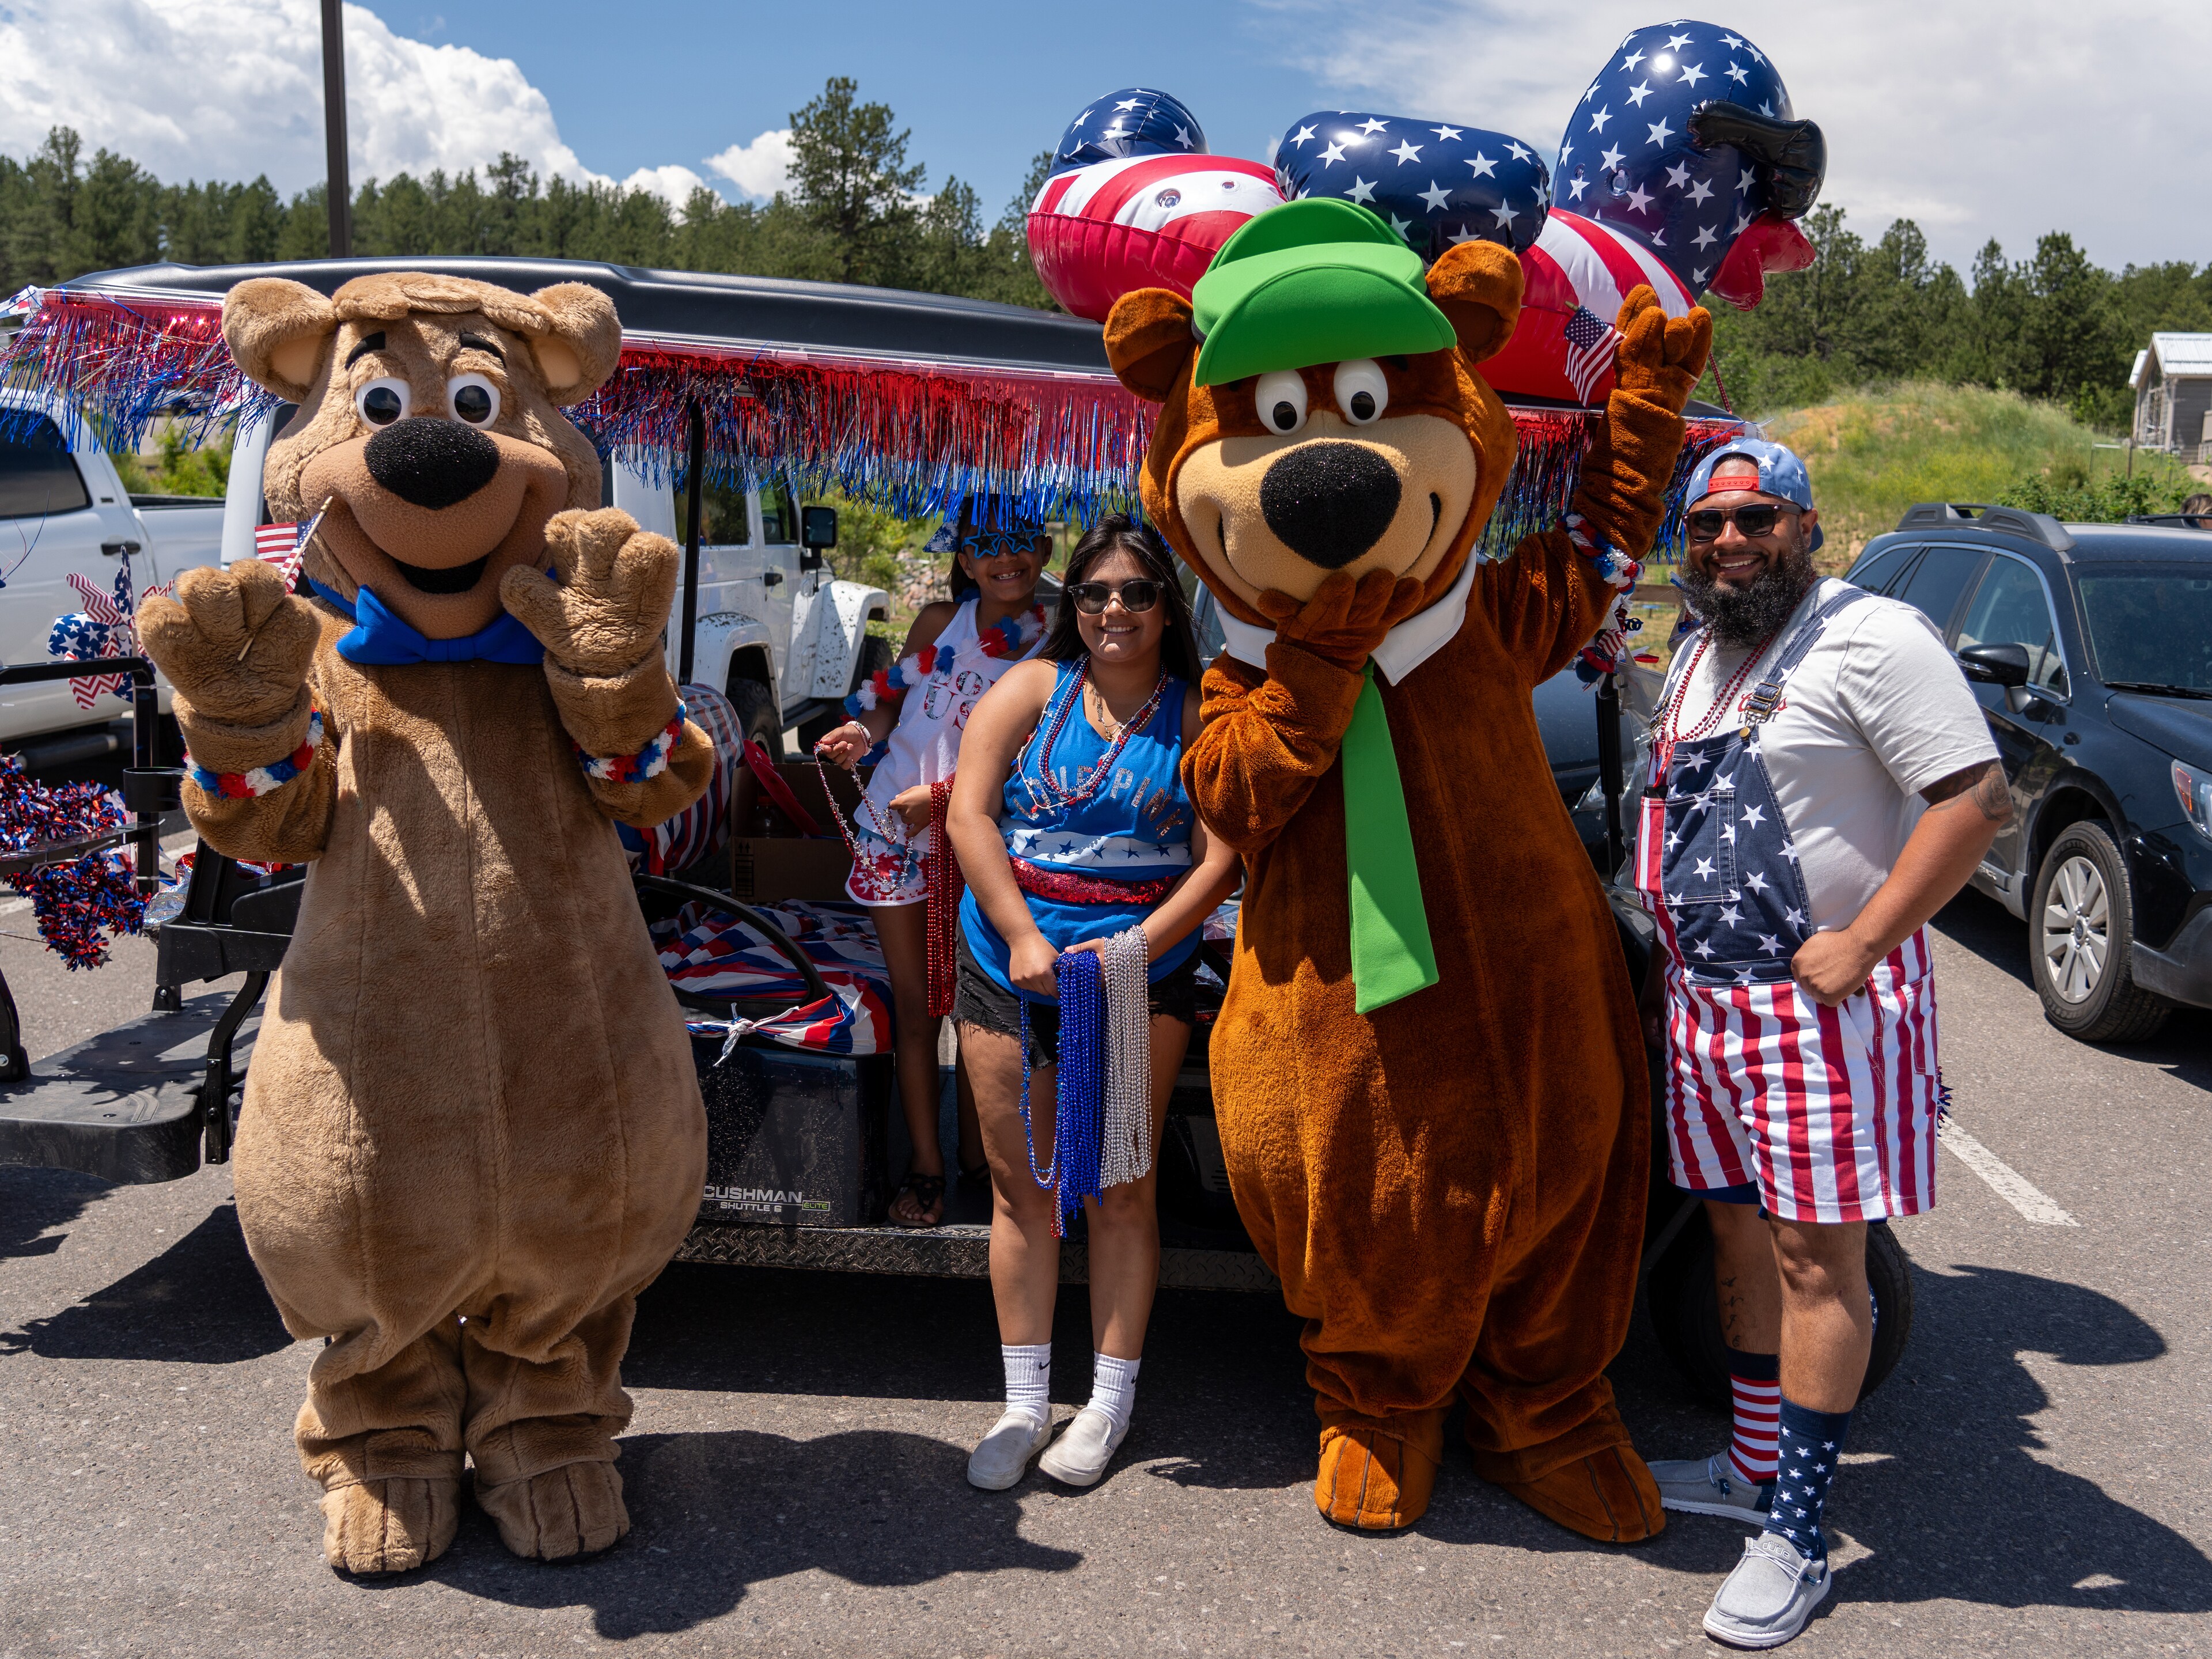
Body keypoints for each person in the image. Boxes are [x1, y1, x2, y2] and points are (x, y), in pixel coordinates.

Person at [1635, 439, 2009, 1647]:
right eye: (1707, 525)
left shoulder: (1875, 637)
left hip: (1818, 1012)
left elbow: (1972, 800)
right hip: (1708, 1010)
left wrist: (1866, 940)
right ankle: (1751, 1470)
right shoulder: (1702, 649)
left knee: (1815, 1263)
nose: (1729, 542)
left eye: (1756, 519)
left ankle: (1795, 1538)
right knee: (1737, 1239)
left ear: (1808, 527)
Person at [946, 514, 1240, 1491]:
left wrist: (1135, 949)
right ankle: (1024, 1404)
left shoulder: (1198, 713)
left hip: (1132, 982)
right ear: (1071, 604)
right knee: (1022, 1188)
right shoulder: (1033, 688)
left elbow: (1220, 861)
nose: (1115, 610)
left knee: (1118, 1190)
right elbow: (969, 812)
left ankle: (1107, 1407)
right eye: (1095, 593)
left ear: (1169, 608)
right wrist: (1025, 936)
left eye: (1138, 592)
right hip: (1010, 968)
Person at [815, 509, 1050, 1228]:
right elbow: (893, 700)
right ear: (966, 560)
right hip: (894, 830)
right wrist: (862, 732)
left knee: (983, 1009)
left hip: (982, 837)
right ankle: (927, 1161)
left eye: (1019, 545)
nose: (1004, 560)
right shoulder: (940, 620)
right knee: (917, 1012)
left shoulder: (1061, 635)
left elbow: (1040, 758)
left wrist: (946, 797)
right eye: (985, 547)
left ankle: (984, 1153)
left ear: (1043, 551)